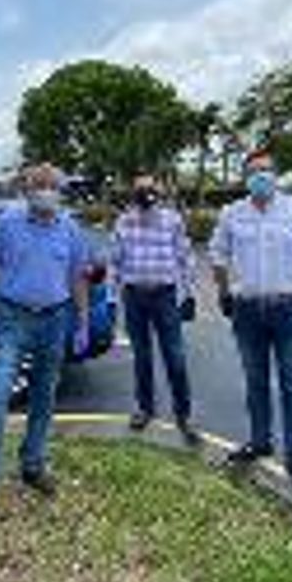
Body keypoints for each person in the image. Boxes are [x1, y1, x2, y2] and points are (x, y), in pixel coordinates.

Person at [208, 148, 292, 497]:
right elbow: (217, 254)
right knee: (255, 381)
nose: (261, 176)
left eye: (266, 170)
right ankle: (260, 441)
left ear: (277, 175)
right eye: (254, 171)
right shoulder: (232, 214)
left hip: (289, 310)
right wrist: (223, 293)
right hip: (247, 310)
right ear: (245, 178)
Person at [0, 163, 92, 523]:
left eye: (53, 186)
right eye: (40, 185)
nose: (46, 192)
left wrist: (82, 323)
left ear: (60, 191)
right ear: (27, 190)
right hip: (13, 318)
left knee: (44, 396)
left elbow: (78, 277)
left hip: (55, 319)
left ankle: (33, 464)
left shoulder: (69, 228)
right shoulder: (9, 223)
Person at [111, 173, 199, 446]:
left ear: (158, 192)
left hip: (165, 295)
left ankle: (184, 414)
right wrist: (112, 299)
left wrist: (189, 294)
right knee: (142, 357)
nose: (145, 193)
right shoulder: (124, 221)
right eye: (140, 189)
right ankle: (144, 408)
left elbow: (185, 257)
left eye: (150, 188)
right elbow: (115, 262)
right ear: (133, 193)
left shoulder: (172, 221)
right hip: (134, 296)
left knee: (175, 357)